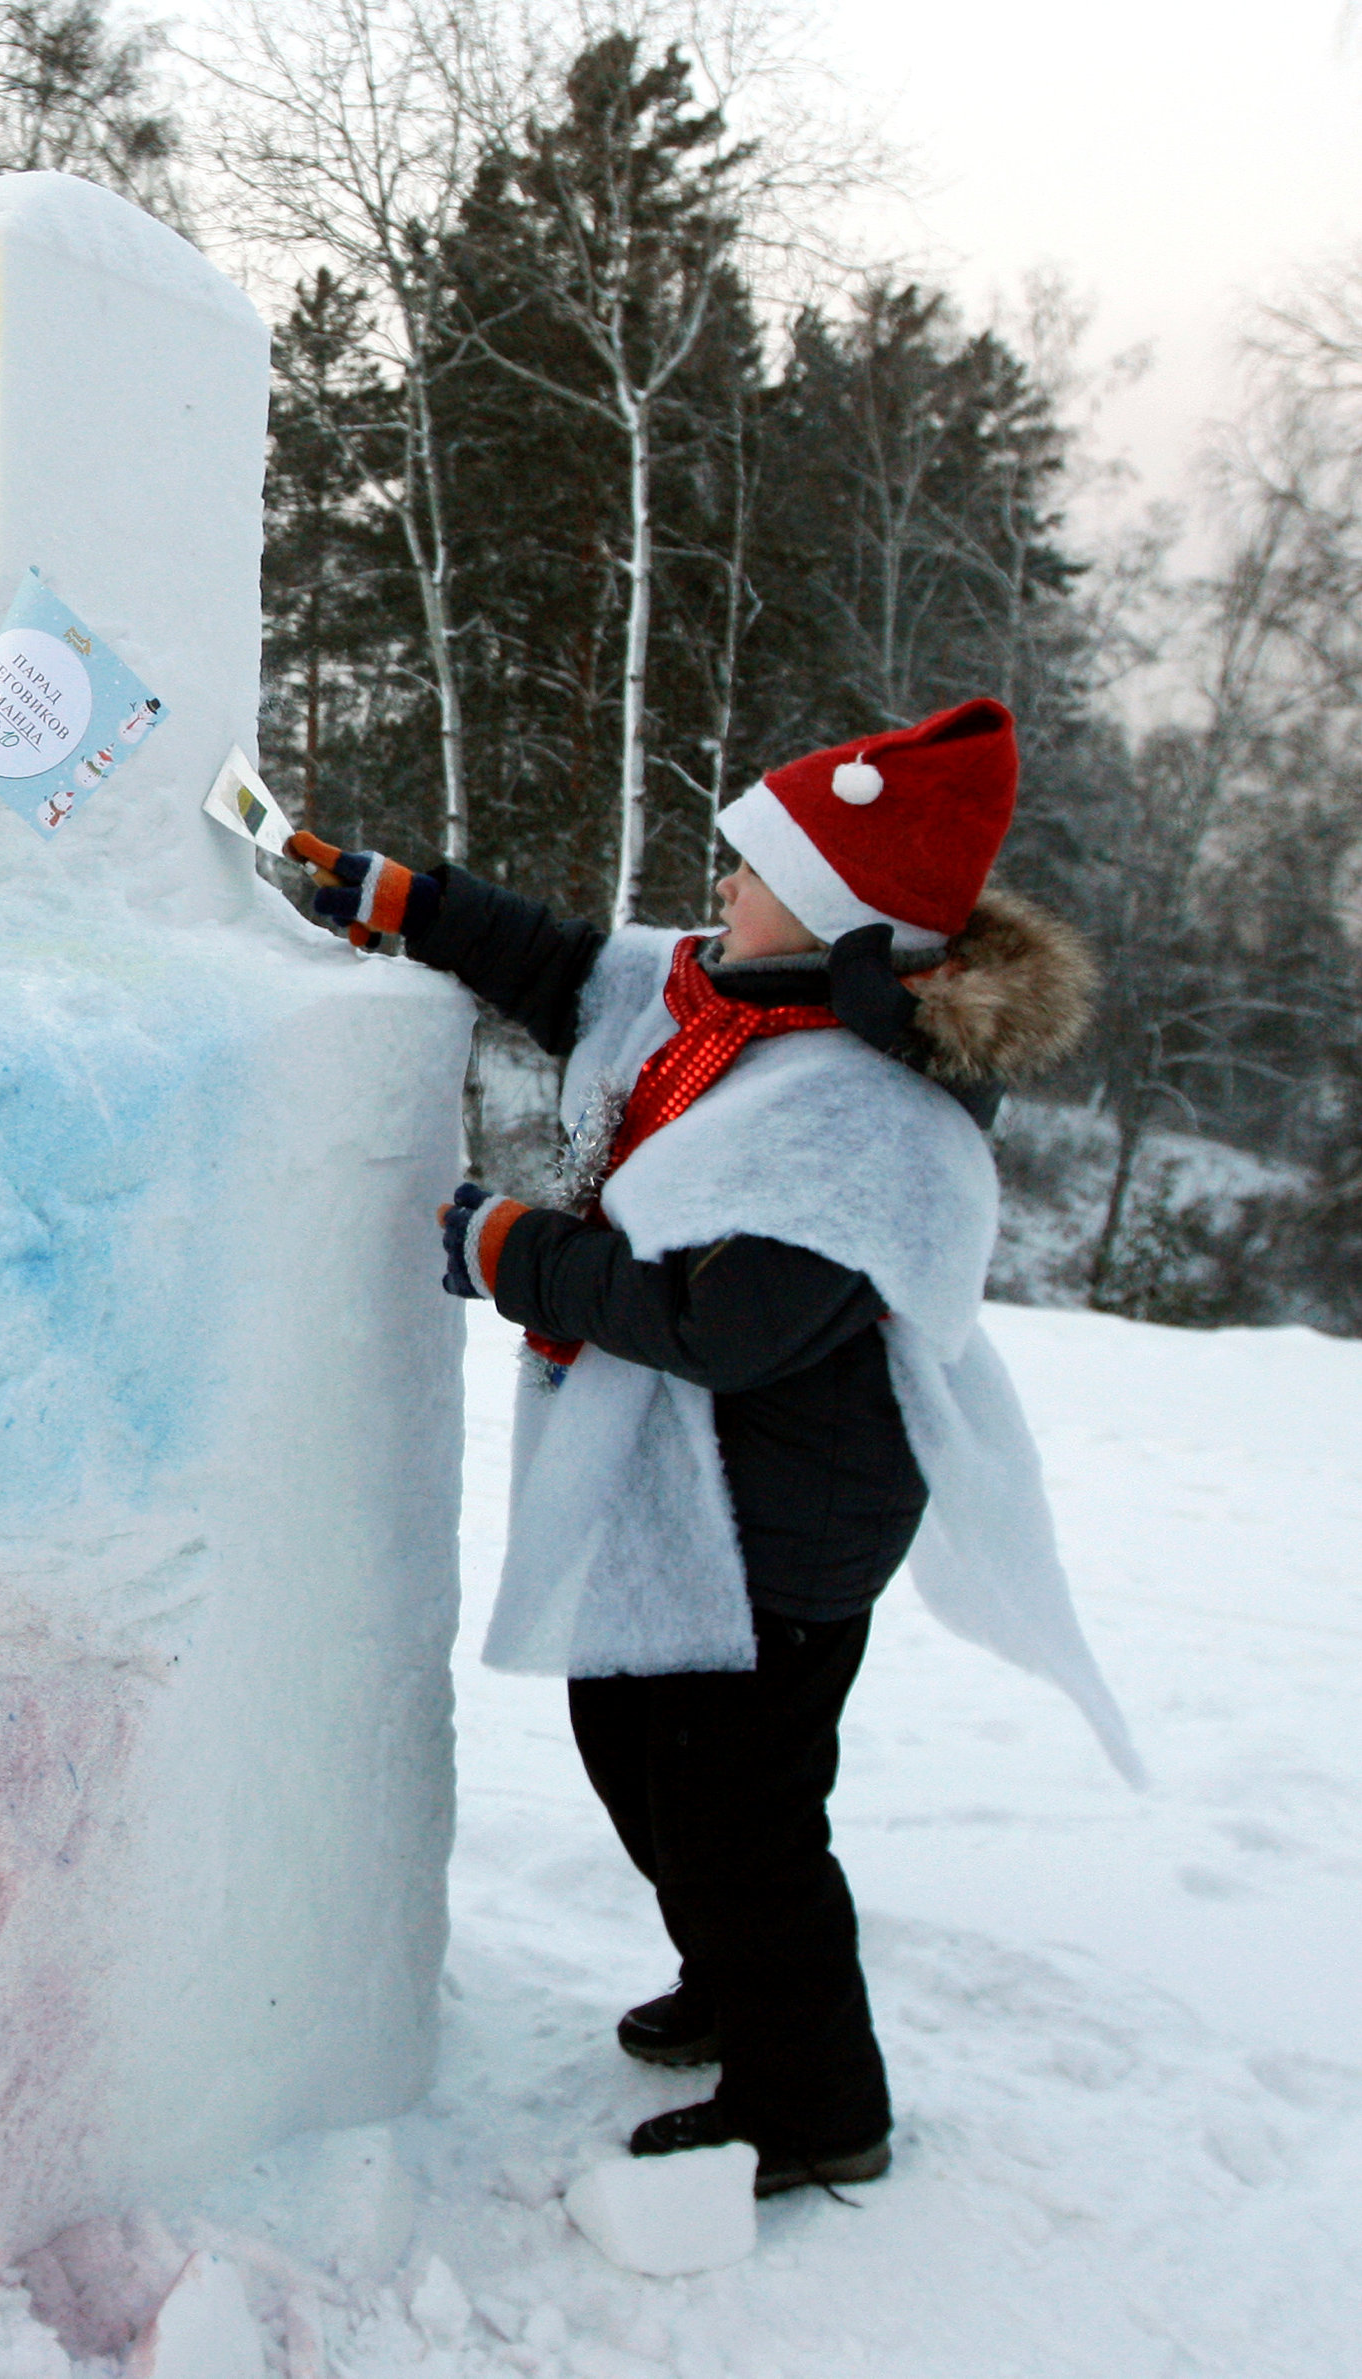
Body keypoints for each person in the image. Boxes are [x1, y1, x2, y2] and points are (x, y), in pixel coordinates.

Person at [307, 697, 1123, 2195]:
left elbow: (722, 1321)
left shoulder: (865, 1111)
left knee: (741, 1813)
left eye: (751, 868)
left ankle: (815, 2103)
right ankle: (738, 1978)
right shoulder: (738, 1003)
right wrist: (403, 900)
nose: (720, 888)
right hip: (712, 1499)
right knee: (642, 1753)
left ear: (825, 913)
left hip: (785, 1525)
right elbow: (569, 970)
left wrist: (511, 1251)